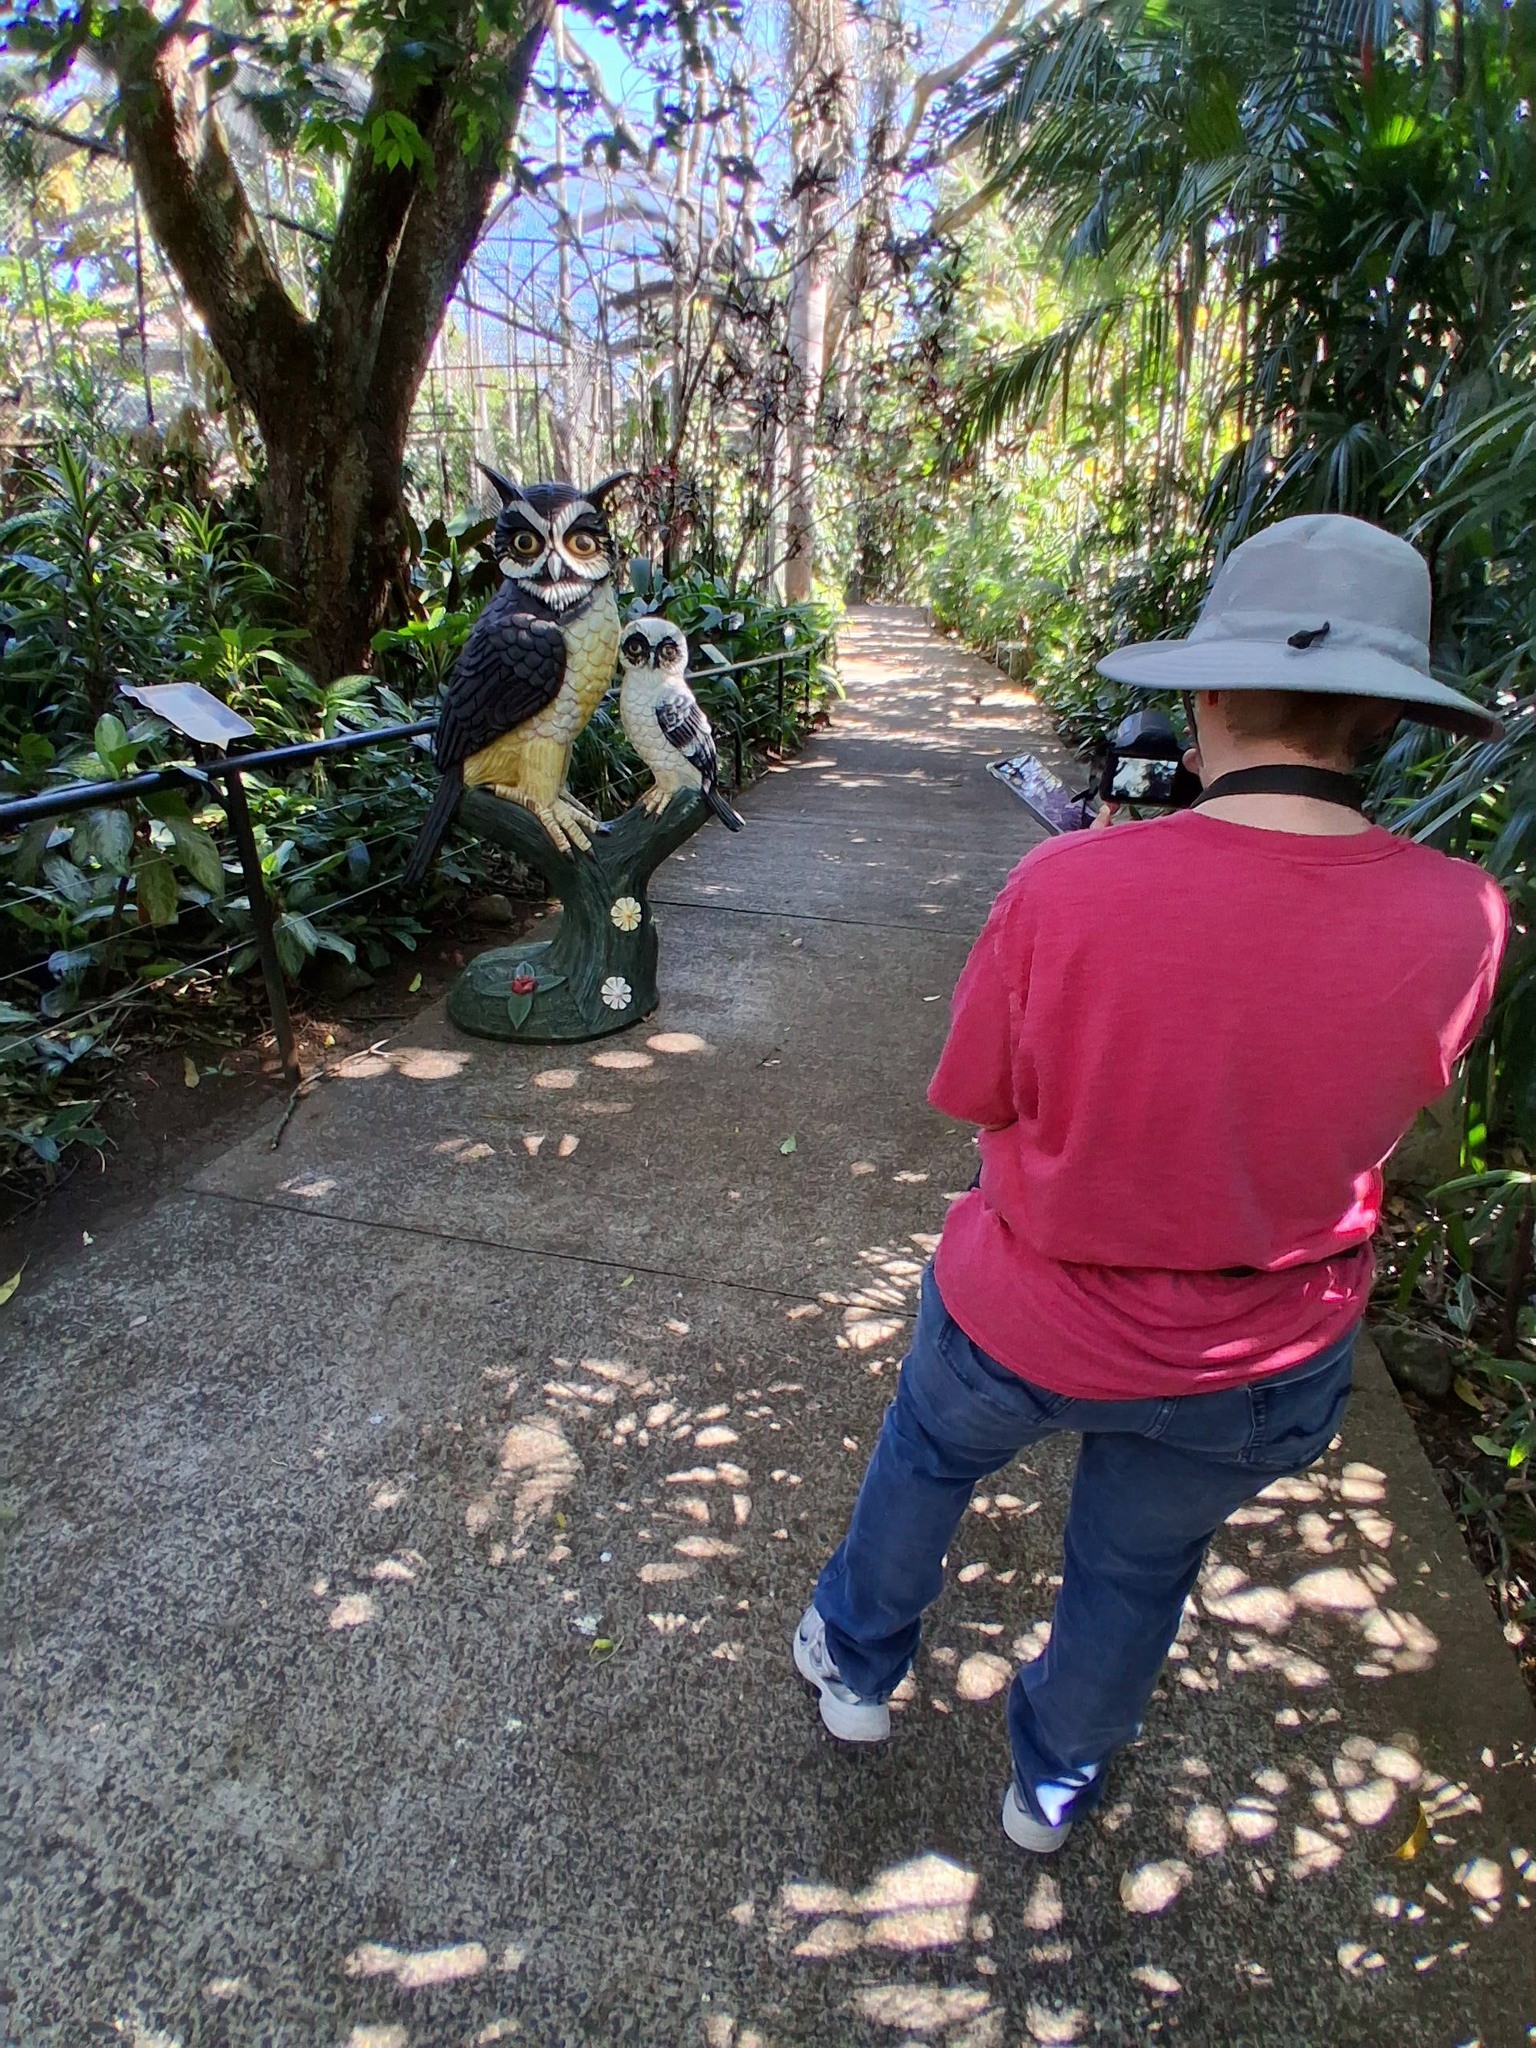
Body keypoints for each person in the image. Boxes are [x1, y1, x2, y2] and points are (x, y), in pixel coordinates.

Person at [792, 513, 1510, 1852]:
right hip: (1261, 1352)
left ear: (1210, 695)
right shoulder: (1465, 913)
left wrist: (1114, 925)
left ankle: (856, 1662)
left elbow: (976, 1092)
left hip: (1033, 1310)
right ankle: (1053, 1782)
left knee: (927, 1457)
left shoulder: (1070, 883)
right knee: (1136, 1566)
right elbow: (1385, 1105)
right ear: (1384, 721)